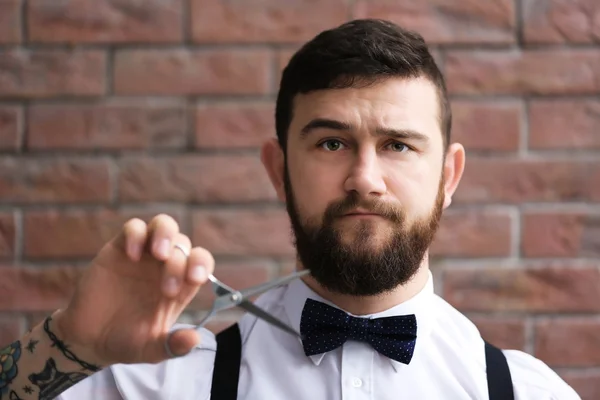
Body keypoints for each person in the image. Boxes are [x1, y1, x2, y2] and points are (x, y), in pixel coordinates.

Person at [1, 19, 581, 400]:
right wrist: (70, 341)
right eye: (331, 143)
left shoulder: (527, 392)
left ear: (448, 175)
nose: (364, 179)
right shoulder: (159, 380)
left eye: (397, 145)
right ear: (278, 170)